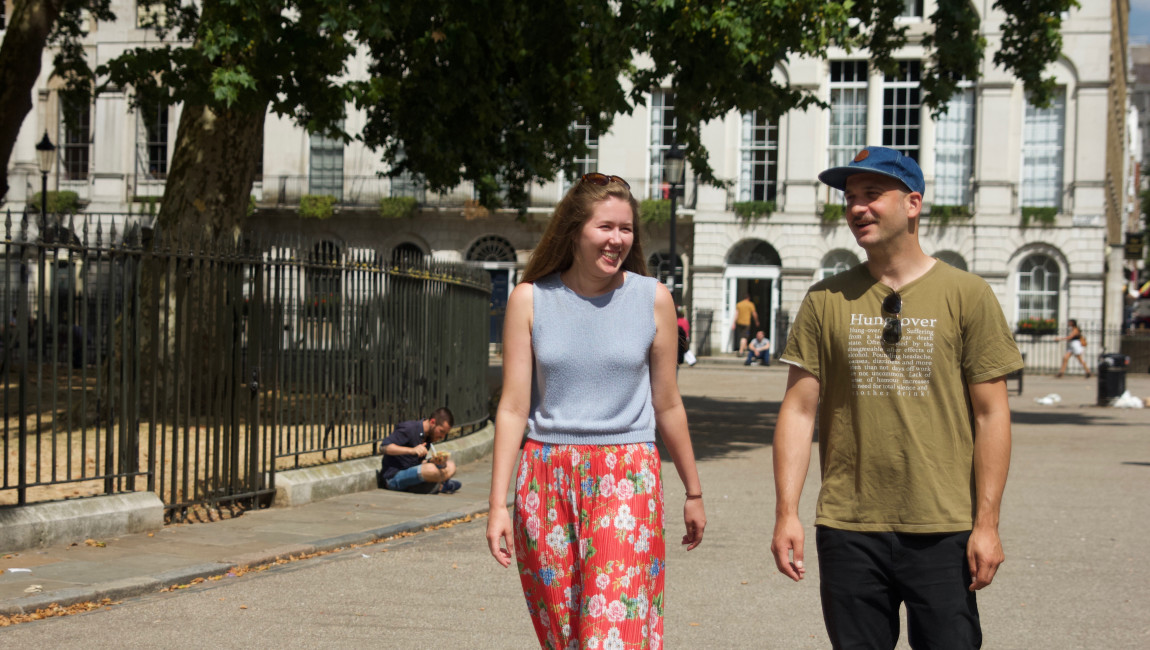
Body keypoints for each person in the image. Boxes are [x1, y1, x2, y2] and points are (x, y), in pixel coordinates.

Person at [770, 146, 1022, 649]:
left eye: (871, 194)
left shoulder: (967, 294)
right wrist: (786, 512)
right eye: (849, 197)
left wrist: (987, 525)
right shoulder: (825, 299)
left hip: (943, 523)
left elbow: (992, 416)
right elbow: (799, 411)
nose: (857, 207)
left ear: (912, 203)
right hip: (849, 524)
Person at [486, 172, 706, 649]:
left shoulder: (653, 299)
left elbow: (667, 402)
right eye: (605, 227)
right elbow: (513, 407)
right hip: (545, 479)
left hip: (627, 476)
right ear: (575, 230)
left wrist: (693, 490)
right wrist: (497, 504)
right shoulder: (530, 300)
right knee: (566, 637)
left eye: (626, 229)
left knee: (611, 634)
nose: (617, 239)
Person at [377, 407, 460, 494]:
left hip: (412, 471)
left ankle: (437, 484)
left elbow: (415, 463)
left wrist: (431, 461)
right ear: (432, 422)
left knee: (451, 465)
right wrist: (412, 450)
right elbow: (383, 447)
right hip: (393, 477)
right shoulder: (409, 428)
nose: (442, 437)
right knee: (431, 470)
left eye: (444, 434)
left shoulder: (428, 436)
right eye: (441, 431)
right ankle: (440, 484)